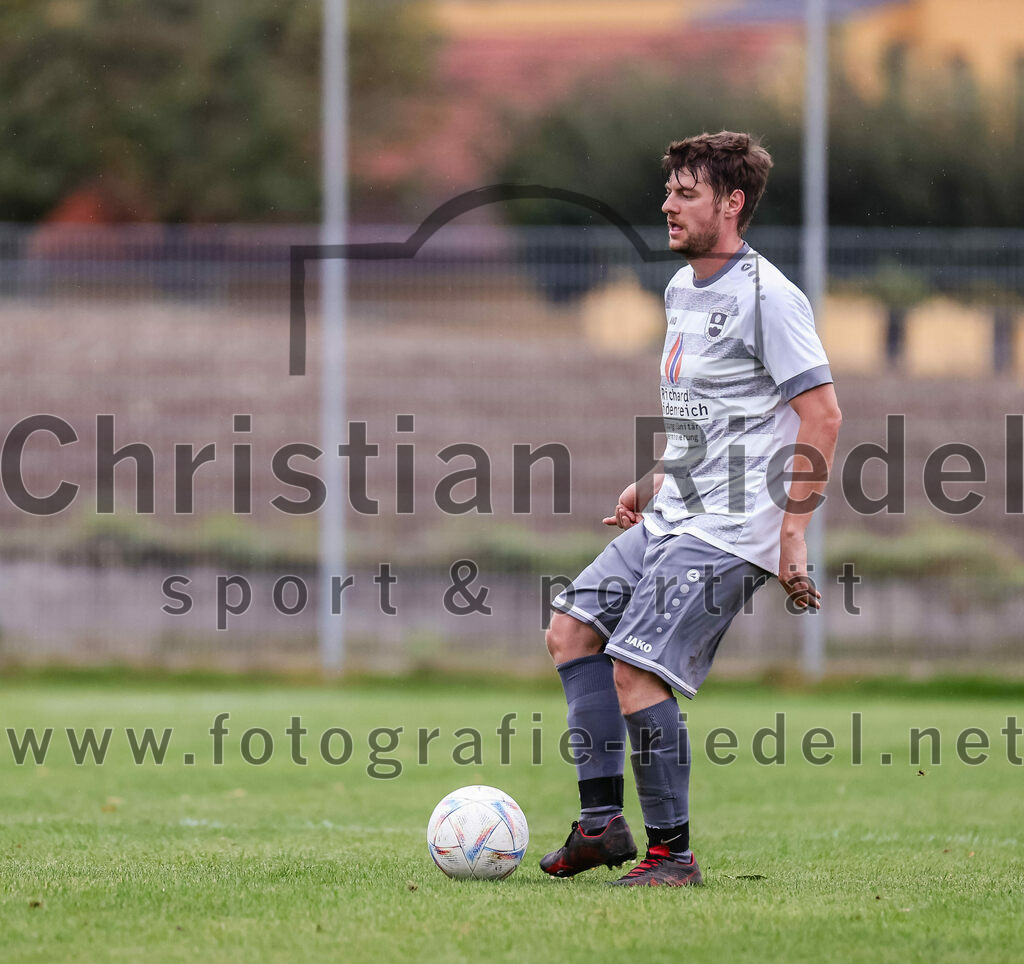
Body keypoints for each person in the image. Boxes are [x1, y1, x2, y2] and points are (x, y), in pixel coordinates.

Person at [540, 131, 843, 886]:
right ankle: (600, 824)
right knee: (573, 631)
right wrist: (652, 480)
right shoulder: (680, 288)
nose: (668, 204)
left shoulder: (770, 298)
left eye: (686, 192)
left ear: (732, 204)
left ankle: (673, 856)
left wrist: (792, 535)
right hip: (677, 510)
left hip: (730, 529)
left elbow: (824, 414)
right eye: (669, 189)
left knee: (636, 672)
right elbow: (708, 416)